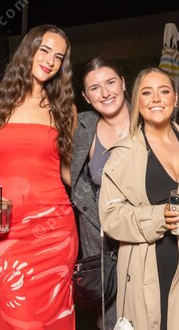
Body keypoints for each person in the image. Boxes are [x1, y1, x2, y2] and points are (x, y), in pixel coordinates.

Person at [0, 24, 78, 329]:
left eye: (58, 57)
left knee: (55, 319)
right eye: (44, 50)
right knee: (15, 317)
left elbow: (69, 173)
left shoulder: (64, 109)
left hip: (55, 229)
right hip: (5, 231)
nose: (50, 61)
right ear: (28, 51)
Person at [99, 68, 179, 330]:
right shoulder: (123, 153)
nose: (156, 99)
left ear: (175, 98)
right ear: (137, 101)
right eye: (146, 92)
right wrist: (158, 217)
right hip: (144, 266)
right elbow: (110, 218)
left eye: (164, 91)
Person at [70, 57, 129, 329]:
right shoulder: (82, 127)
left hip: (147, 238)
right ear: (85, 96)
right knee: (111, 319)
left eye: (110, 83)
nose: (105, 93)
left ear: (123, 84)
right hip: (102, 241)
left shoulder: (149, 117)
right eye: (95, 88)